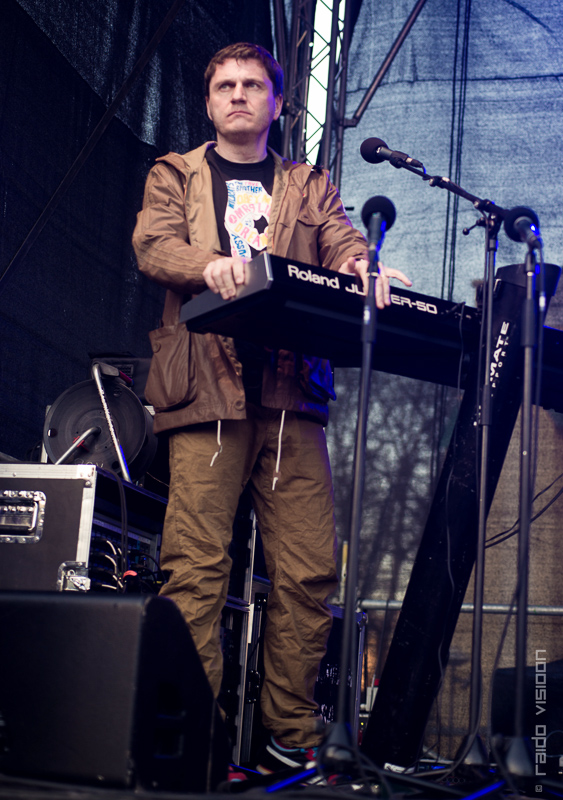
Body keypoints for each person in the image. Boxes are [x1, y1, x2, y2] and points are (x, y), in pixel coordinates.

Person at [132, 42, 411, 772]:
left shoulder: (306, 183)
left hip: (290, 398)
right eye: (224, 84)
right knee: (196, 570)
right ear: (208, 101)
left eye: (252, 84)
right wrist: (208, 264)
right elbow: (153, 244)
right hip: (206, 393)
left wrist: (361, 265)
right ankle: (199, 743)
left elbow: (341, 240)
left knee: (310, 571)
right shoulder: (175, 172)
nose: (237, 94)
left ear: (277, 103)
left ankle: (290, 737)